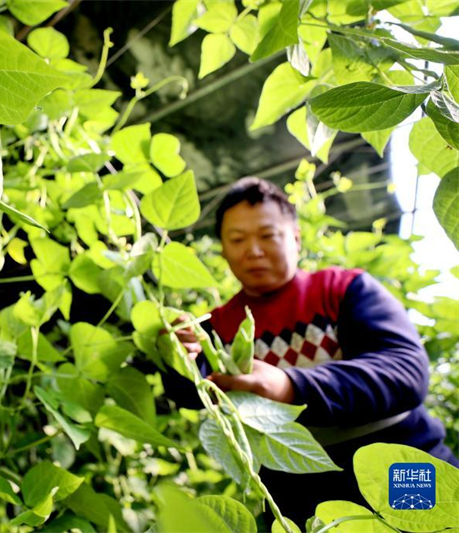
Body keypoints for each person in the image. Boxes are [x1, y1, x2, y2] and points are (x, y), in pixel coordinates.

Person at [163, 177, 458, 528]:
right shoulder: (216, 327)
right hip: (299, 489)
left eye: (268, 235)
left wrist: (291, 385)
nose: (253, 251)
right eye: (237, 239)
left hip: (402, 463)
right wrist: (177, 353)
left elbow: (405, 372)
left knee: (434, 526)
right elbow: (189, 392)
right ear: (223, 249)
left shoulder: (344, 289)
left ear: (296, 238)